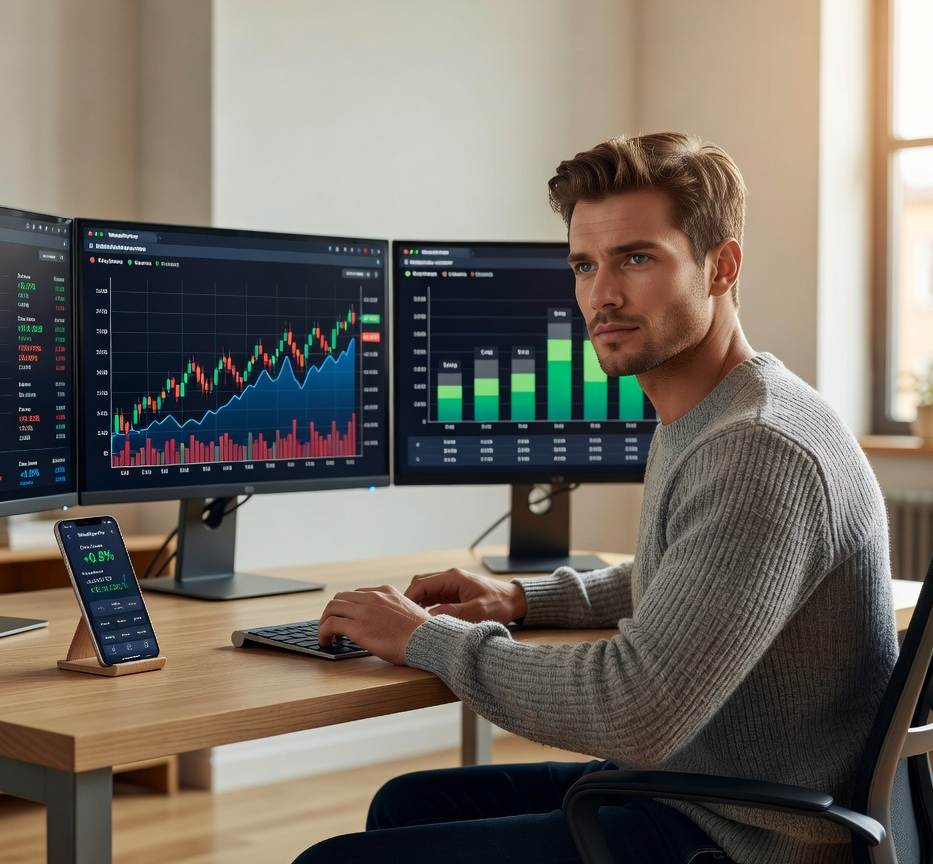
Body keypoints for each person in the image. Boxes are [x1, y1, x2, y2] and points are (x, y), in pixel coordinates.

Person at [297, 132, 898, 864]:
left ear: (721, 267)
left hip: (738, 836)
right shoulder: (720, 407)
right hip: (708, 787)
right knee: (406, 805)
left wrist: (425, 637)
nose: (601, 296)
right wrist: (518, 600)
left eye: (637, 258)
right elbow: (688, 580)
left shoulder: (758, 447)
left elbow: (634, 709)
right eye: (585, 265)